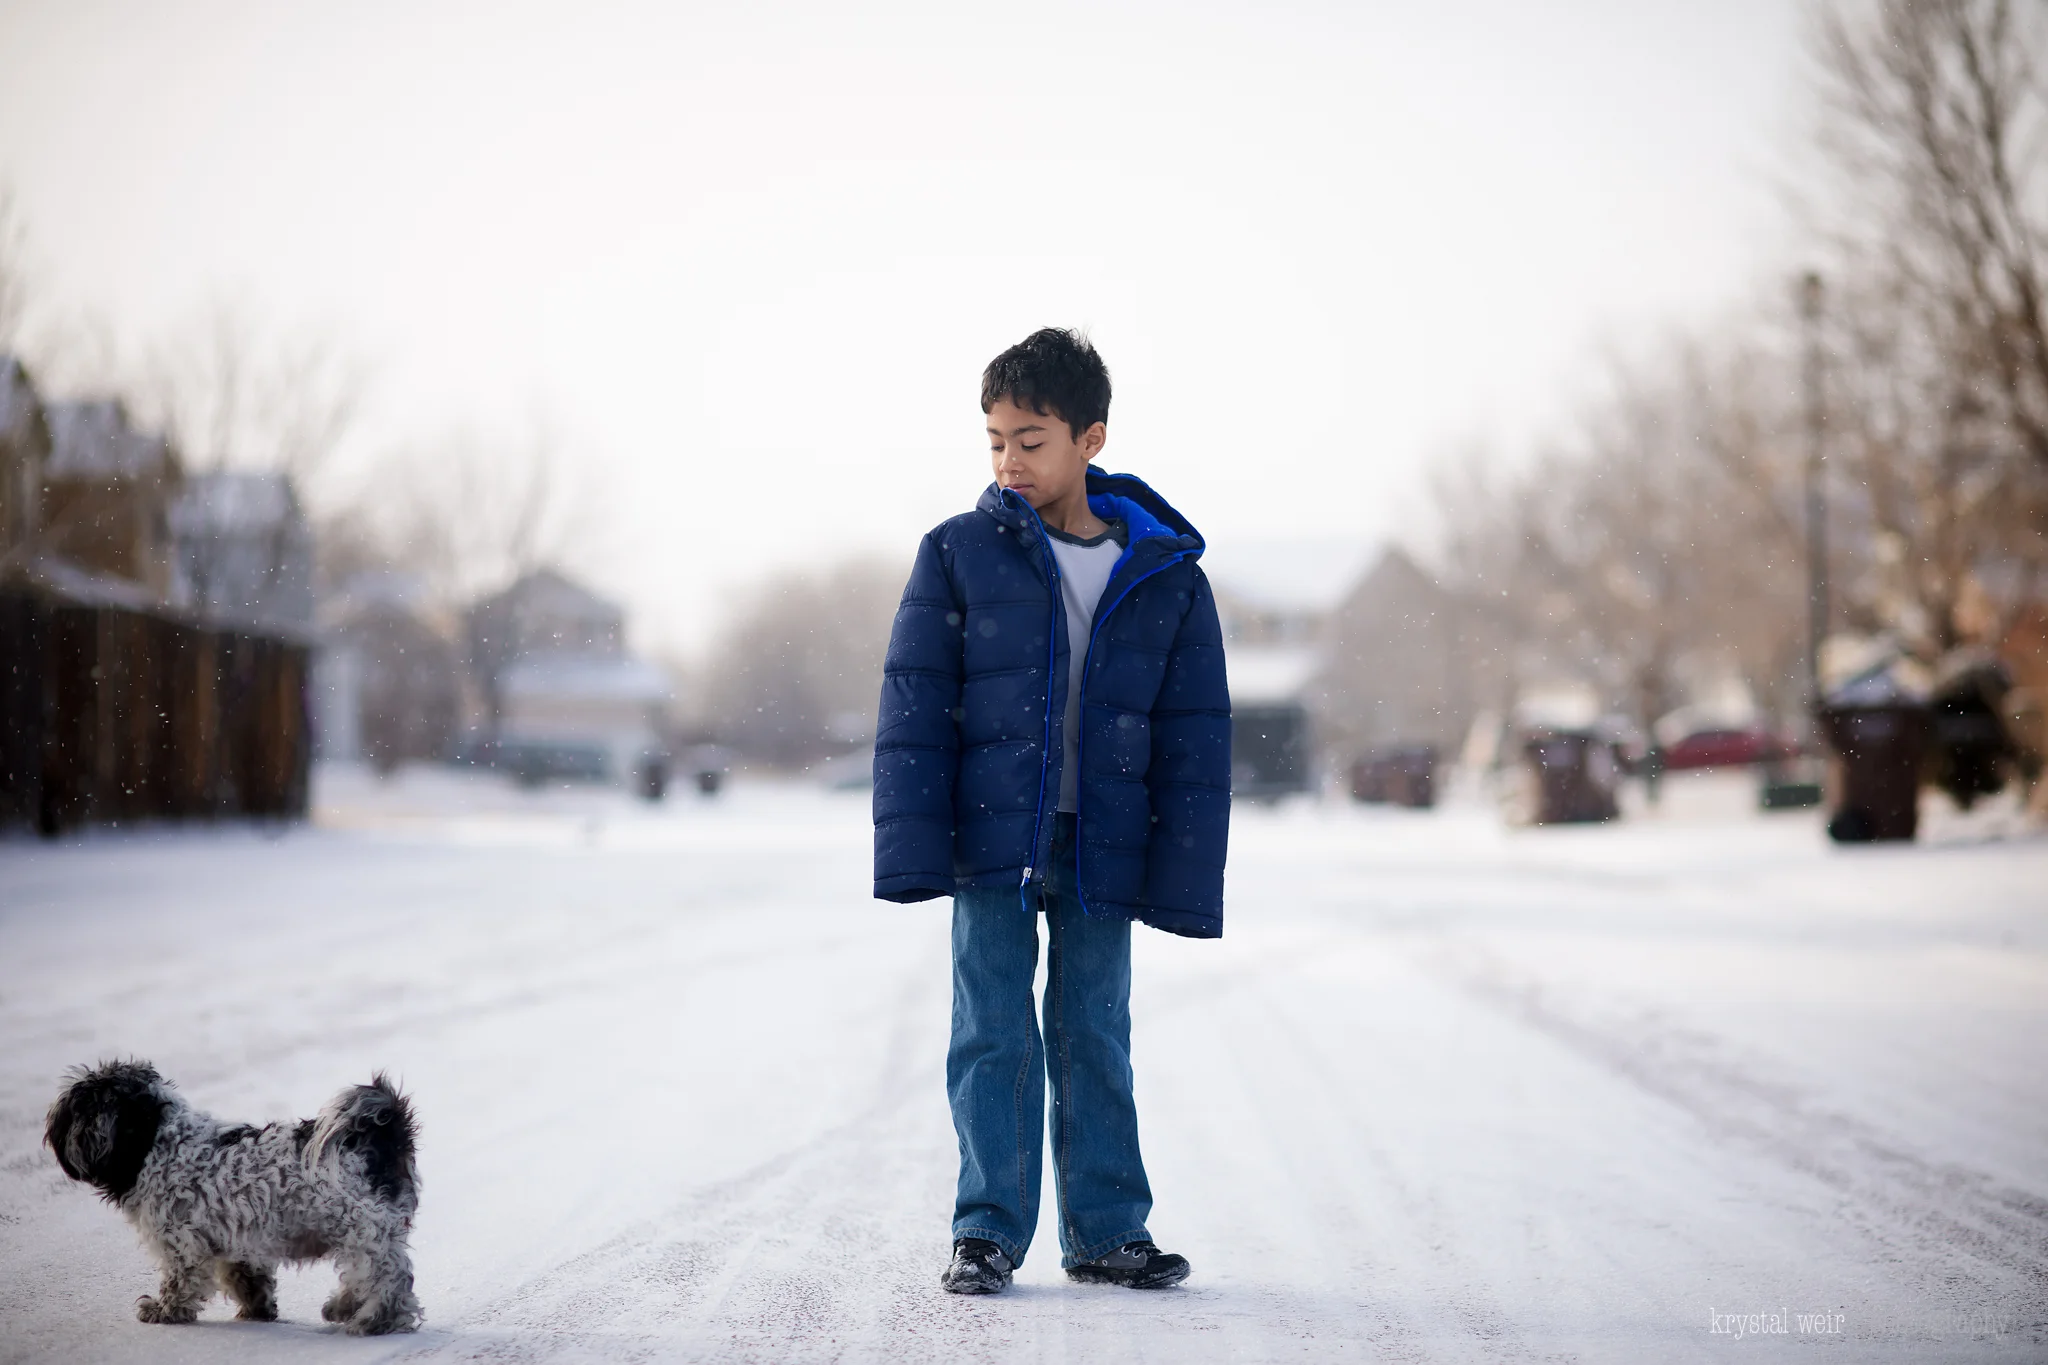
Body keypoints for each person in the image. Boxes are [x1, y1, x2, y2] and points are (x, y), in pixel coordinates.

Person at [871, 327, 1231, 1295]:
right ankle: (985, 1230)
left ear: (1090, 438)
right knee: (990, 1027)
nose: (1007, 462)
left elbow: (1193, 736)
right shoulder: (955, 555)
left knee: (1093, 1029)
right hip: (990, 835)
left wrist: (1180, 861)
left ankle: (1108, 1231)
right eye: (993, 440)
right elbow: (916, 708)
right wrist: (915, 846)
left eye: (1030, 440)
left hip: (1100, 840)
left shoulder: (1163, 573)